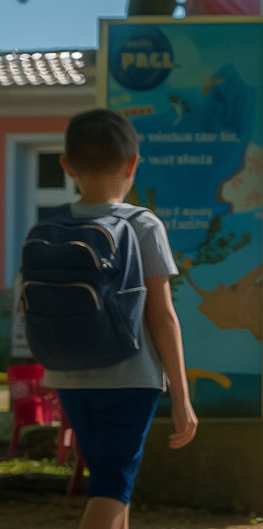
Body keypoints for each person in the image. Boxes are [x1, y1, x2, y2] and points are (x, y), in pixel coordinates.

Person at [17, 109, 197, 529]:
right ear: (132, 163)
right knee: (112, 488)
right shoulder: (141, 223)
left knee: (112, 483)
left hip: (67, 375)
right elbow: (163, 316)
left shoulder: (49, 225)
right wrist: (183, 399)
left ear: (66, 164)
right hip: (130, 377)